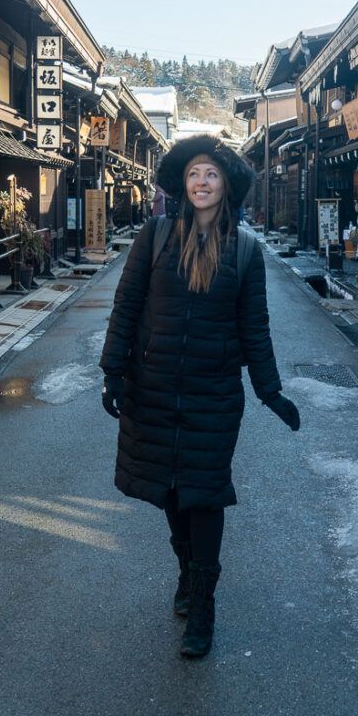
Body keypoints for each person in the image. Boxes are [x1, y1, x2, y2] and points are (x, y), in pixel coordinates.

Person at [99, 136, 300, 659]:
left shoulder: (246, 250)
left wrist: (270, 391)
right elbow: (127, 305)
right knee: (169, 490)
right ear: (183, 185)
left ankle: (203, 608)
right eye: (194, 175)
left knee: (204, 494)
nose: (202, 183)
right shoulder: (157, 235)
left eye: (211, 174)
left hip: (213, 393)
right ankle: (187, 573)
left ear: (225, 186)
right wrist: (113, 371)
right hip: (155, 386)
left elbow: (255, 326)